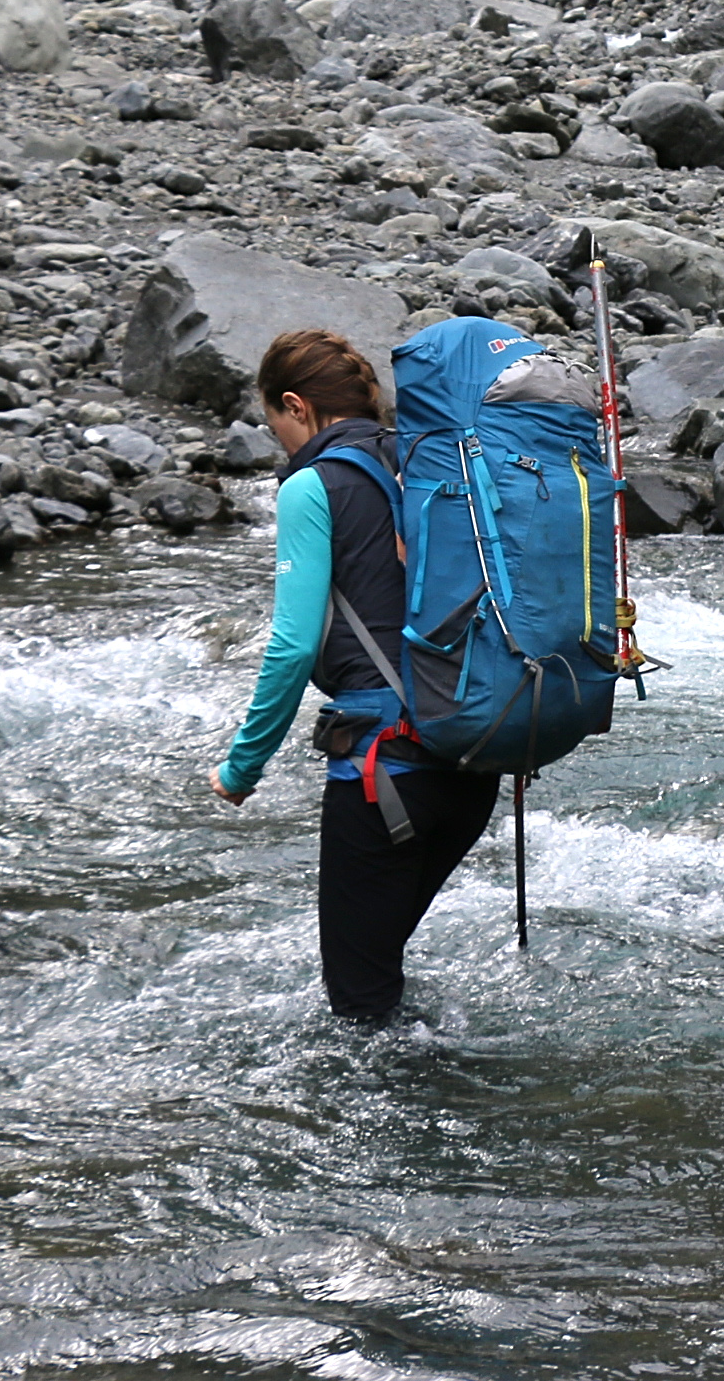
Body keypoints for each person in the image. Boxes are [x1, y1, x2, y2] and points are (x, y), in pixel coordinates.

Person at [208, 327, 502, 1023]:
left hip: (385, 779)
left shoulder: (312, 486)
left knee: (359, 1006)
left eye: (275, 424)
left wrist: (242, 767)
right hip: (473, 760)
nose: (280, 441)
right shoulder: (428, 462)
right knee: (379, 979)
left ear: (295, 405)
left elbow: (291, 646)